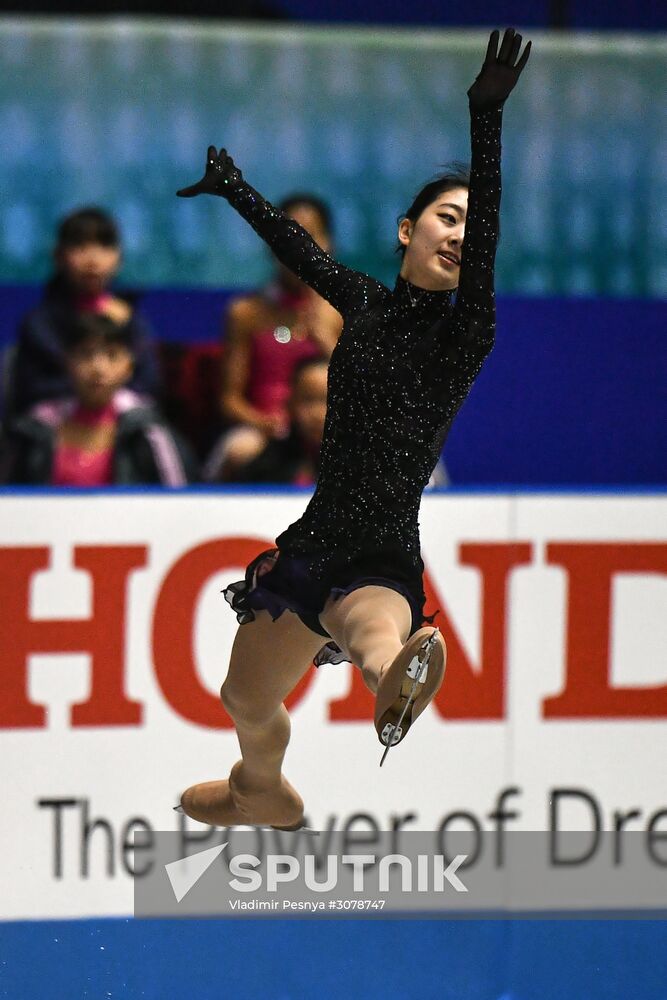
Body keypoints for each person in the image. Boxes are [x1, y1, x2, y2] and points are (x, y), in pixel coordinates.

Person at [174, 28, 531, 829]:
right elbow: (297, 250)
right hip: (310, 543)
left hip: (380, 547)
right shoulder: (363, 307)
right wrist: (234, 188)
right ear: (407, 231)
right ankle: (257, 788)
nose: (461, 233)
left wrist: (485, 119)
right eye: (445, 216)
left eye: (472, 228)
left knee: (371, 629)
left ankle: (396, 677)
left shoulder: (464, 333)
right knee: (243, 697)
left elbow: (486, 242)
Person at [205, 194, 342, 481]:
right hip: (265, 433)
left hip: (331, 431)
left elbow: (367, 393)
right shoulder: (245, 313)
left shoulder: (343, 313)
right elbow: (229, 400)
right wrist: (263, 423)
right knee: (240, 448)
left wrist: (325, 342)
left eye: (309, 236)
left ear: (327, 245)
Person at [1, 313, 195, 486]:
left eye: (111, 355)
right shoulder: (33, 431)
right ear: (67, 363)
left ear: (129, 367)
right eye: (85, 355)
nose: (98, 368)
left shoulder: (148, 432)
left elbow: (178, 499)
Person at [9, 207, 160, 416]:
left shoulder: (131, 320)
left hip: (119, 425)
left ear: (120, 258)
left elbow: (148, 385)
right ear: (59, 256)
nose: (93, 258)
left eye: (104, 245)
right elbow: (32, 389)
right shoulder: (40, 324)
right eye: (79, 245)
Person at [228, 354, 328, 485]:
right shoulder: (273, 459)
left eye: (328, 401)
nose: (317, 413)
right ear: (290, 404)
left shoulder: (357, 459)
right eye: (308, 400)